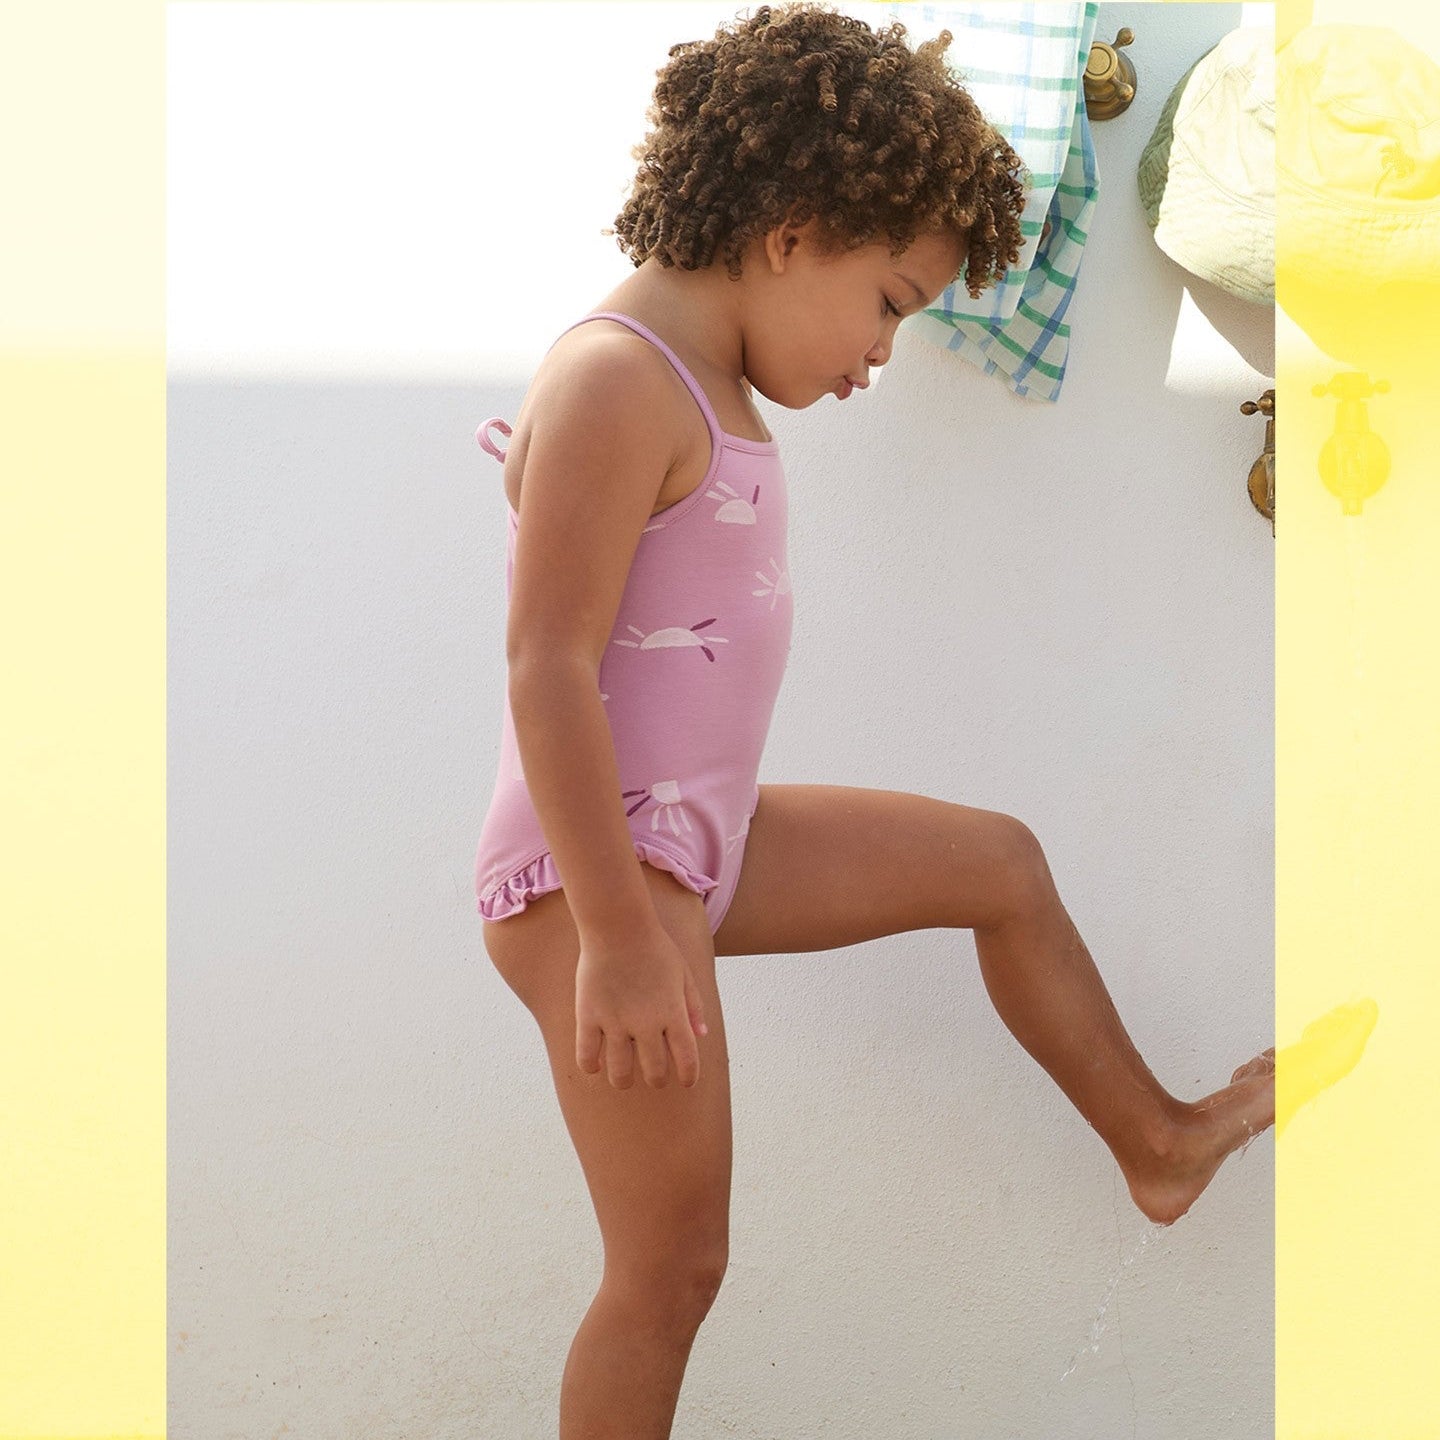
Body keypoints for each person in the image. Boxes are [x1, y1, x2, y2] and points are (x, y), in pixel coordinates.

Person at [472, 6, 1276, 1436]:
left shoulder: (684, 376)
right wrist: (616, 941)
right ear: (793, 232)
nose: (884, 353)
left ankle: (1156, 1143)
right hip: (601, 876)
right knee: (670, 1270)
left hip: (686, 844)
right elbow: (545, 665)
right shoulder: (615, 375)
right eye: (894, 301)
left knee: (1000, 867)